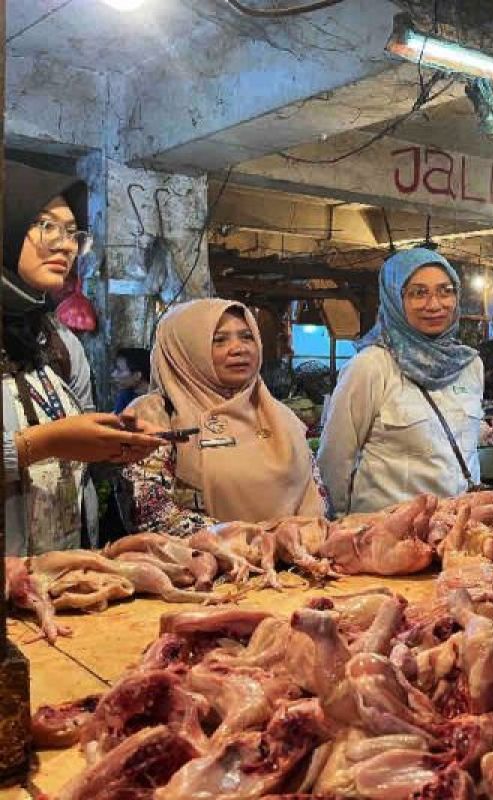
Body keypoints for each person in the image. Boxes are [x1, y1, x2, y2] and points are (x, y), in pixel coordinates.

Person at [2, 161, 162, 554]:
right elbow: (57, 441)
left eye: (73, 232)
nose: (66, 245)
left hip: (61, 572)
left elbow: (78, 440)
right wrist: (43, 442)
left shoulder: (56, 339)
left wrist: (113, 444)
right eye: (46, 225)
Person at [124, 299, 328, 535]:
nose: (239, 348)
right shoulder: (154, 416)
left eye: (246, 337)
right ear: (185, 349)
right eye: (219, 340)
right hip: (200, 566)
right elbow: (151, 515)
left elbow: (316, 492)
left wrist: (296, 542)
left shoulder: (280, 416)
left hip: (295, 563)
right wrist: (254, 541)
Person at [318, 248, 483, 513]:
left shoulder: (469, 365)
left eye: (445, 291)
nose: (434, 304)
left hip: (456, 533)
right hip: (388, 538)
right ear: (395, 298)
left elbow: (468, 452)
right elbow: (335, 461)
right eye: (419, 293)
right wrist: (342, 526)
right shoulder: (371, 366)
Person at [111, 346, 151, 413]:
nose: (113, 374)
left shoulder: (157, 401)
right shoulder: (125, 395)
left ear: (137, 376)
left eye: (119, 370)